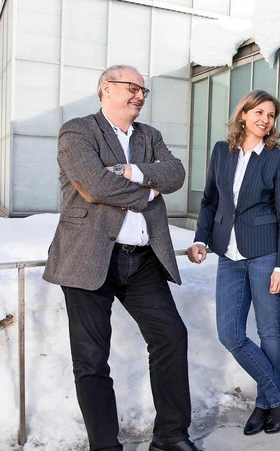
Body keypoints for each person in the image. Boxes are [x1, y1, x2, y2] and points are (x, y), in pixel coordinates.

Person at [43, 64, 199, 451]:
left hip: (142, 259)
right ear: (105, 89)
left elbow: (176, 175)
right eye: (131, 88)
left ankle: (170, 437)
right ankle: (105, 446)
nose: (139, 96)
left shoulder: (150, 136)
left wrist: (129, 171)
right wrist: (149, 191)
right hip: (89, 256)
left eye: (143, 91)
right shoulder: (78, 131)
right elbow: (94, 186)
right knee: (92, 359)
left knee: (170, 337)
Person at [186, 90, 280, 436]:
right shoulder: (222, 152)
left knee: (268, 331)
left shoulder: (277, 159)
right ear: (243, 115)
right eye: (259, 112)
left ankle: (266, 404)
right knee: (230, 333)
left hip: (265, 254)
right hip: (228, 256)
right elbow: (209, 200)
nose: (265, 120)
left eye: (271, 115)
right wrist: (200, 238)